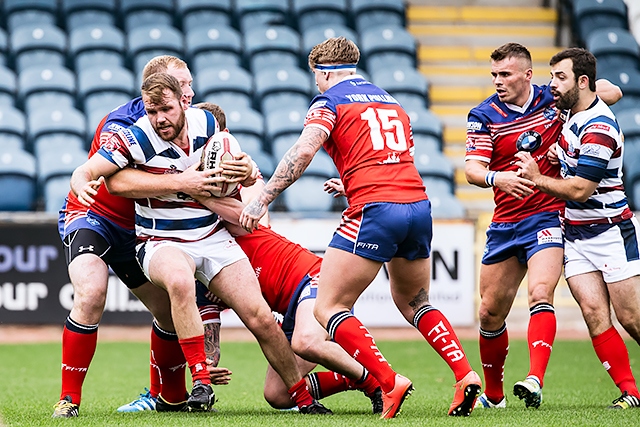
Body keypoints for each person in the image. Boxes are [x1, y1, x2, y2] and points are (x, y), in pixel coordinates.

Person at [239, 36, 482, 419]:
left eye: (316, 76)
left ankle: (387, 381)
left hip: (374, 209)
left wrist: (262, 197)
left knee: (329, 306)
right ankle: (464, 373)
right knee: (416, 302)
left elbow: (303, 151)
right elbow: (397, 159)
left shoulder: (329, 100)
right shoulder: (392, 101)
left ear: (323, 72)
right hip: (417, 204)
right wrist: (352, 180)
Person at [71, 73, 331, 414]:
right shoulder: (134, 138)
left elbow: (245, 168)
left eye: (165, 109)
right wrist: (81, 184)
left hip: (212, 238)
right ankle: (201, 384)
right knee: (179, 280)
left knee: (261, 318)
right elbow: (90, 172)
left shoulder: (208, 122)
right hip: (160, 240)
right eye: (151, 111)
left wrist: (246, 169)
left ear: (183, 101)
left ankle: (302, 398)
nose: (159, 119)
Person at [51, 55, 253, 418]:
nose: (190, 92)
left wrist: (248, 172)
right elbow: (114, 180)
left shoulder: (192, 120)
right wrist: (182, 183)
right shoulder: (127, 124)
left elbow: (221, 167)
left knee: (169, 311)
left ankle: (165, 396)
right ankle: (69, 399)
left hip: (143, 228)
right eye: (184, 84)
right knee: (92, 292)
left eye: (190, 84)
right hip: (95, 217)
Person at [464, 43, 622, 410]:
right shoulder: (483, 113)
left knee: (540, 292)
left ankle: (535, 380)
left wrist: (593, 99)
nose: (498, 81)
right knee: (489, 312)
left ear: (527, 75)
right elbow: (472, 168)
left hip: (548, 215)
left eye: (505, 74)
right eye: (494, 75)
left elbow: (610, 92)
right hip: (505, 221)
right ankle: (495, 395)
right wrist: (495, 178)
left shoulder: (555, 98)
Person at [515, 47, 640, 410]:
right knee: (593, 312)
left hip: (610, 232)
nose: (551, 84)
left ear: (581, 82)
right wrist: (561, 156)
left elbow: (581, 189)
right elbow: (609, 90)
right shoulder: (573, 108)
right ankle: (631, 392)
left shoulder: (599, 126)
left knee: (632, 318)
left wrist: (538, 178)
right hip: (576, 233)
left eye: (560, 77)